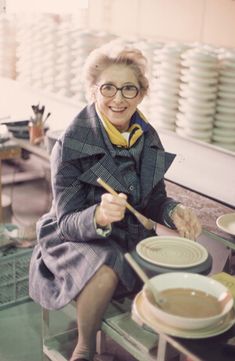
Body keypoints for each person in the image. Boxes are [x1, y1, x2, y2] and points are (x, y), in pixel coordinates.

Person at [29, 40, 201, 361]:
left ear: (141, 94)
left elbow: (153, 201)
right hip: (75, 235)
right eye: (108, 88)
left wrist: (172, 211)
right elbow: (66, 222)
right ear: (92, 91)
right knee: (107, 263)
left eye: (129, 89)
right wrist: (98, 216)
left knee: (182, 261)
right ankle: (84, 347)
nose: (118, 99)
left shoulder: (147, 136)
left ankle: (170, 345)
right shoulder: (72, 144)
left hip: (132, 232)